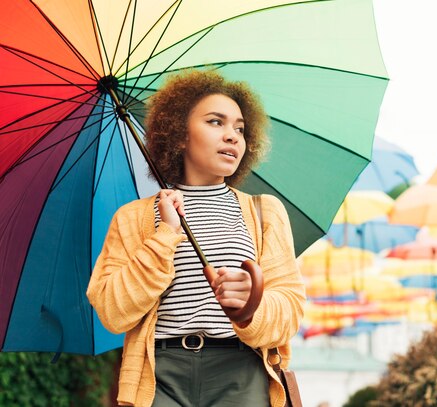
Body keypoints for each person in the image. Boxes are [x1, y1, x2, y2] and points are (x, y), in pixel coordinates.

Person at [87, 70, 306, 407]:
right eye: (216, 122)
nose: (232, 136)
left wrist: (251, 306)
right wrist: (166, 235)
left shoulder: (265, 212)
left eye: (240, 128)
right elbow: (113, 312)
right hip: (158, 377)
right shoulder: (133, 218)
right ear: (178, 136)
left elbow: (289, 312)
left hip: (241, 372)